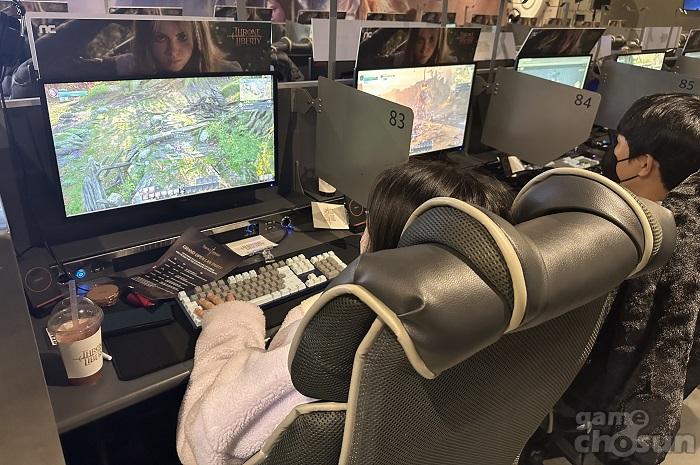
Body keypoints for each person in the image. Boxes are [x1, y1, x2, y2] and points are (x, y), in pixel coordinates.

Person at [176, 159, 513, 465]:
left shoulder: (333, 350)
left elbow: (204, 443)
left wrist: (229, 323)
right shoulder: (502, 324)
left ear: (389, 250)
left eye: (370, 222)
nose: (363, 232)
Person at [564, 93, 700, 465]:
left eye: (618, 145)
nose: (612, 154)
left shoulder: (633, 248)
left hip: (587, 381)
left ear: (643, 164)